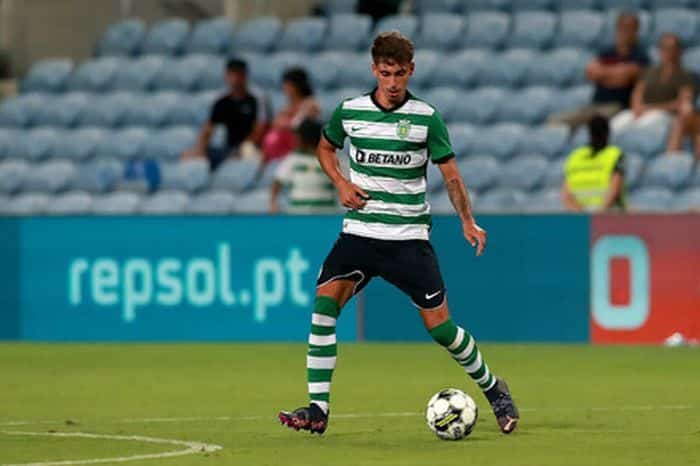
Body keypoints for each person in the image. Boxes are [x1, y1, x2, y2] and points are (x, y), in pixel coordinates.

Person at [278, 31, 519, 436]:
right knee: (323, 309)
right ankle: (318, 409)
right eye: (386, 73)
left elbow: (452, 176)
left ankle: (494, 388)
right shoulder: (350, 112)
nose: (392, 82)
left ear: (411, 72)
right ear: (374, 70)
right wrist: (339, 182)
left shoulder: (426, 118)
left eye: (400, 74)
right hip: (359, 234)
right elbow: (325, 147)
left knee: (441, 329)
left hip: (408, 238)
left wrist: (466, 220)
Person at [549, 12, 648, 130]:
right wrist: (615, 73)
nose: (625, 31)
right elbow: (591, 73)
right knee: (554, 121)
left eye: (629, 28)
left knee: (595, 125)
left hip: (618, 107)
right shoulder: (606, 52)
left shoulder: (640, 56)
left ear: (636, 30)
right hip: (594, 105)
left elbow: (623, 79)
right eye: (622, 27)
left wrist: (604, 74)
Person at [182, 58, 268, 170]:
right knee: (188, 156)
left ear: (245, 76)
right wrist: (201, 148)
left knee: (249, 154)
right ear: (226, 76)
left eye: (239, 75)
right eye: (232, 75)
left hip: (249, 147)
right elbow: (209, 128)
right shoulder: (222, 101)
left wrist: (243, 147)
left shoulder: (256, 99)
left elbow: (261, 128)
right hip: (228, 148)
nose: (235, 79)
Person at [610, 33, 695, 134]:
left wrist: (650, 108)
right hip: (641, 111)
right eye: (665, 48)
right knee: (615, 124)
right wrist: (638, 108)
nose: (669, 52)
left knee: (643, 126)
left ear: (679, 51)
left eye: (672, 48)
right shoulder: (649, 72)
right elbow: (637, 94)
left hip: (664, 115)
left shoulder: (686, 75)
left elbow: (682, 103)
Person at [269, 119, 337, 214]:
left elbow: (346, 181)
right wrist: (273, 204)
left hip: (326, 214)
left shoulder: (332, 158)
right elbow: (277, 182)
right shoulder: (293, 159)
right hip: (299, 214)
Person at [561, 115, 626, 212]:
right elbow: (614, 190)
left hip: (582, 219)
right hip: (610, 216)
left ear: (589, 133)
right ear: (608, 133)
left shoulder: (575, 156)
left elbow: (566, 194)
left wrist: (582, 215)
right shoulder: (615, 154)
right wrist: (597, 215)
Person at [262, 68, 321, 161]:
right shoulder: (287, 104)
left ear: (297, 85)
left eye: (287, 84)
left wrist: (285, 123)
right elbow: (275, 123)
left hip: (301, 146)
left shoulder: (311, 104)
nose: (284, 87)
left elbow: (299, 126)